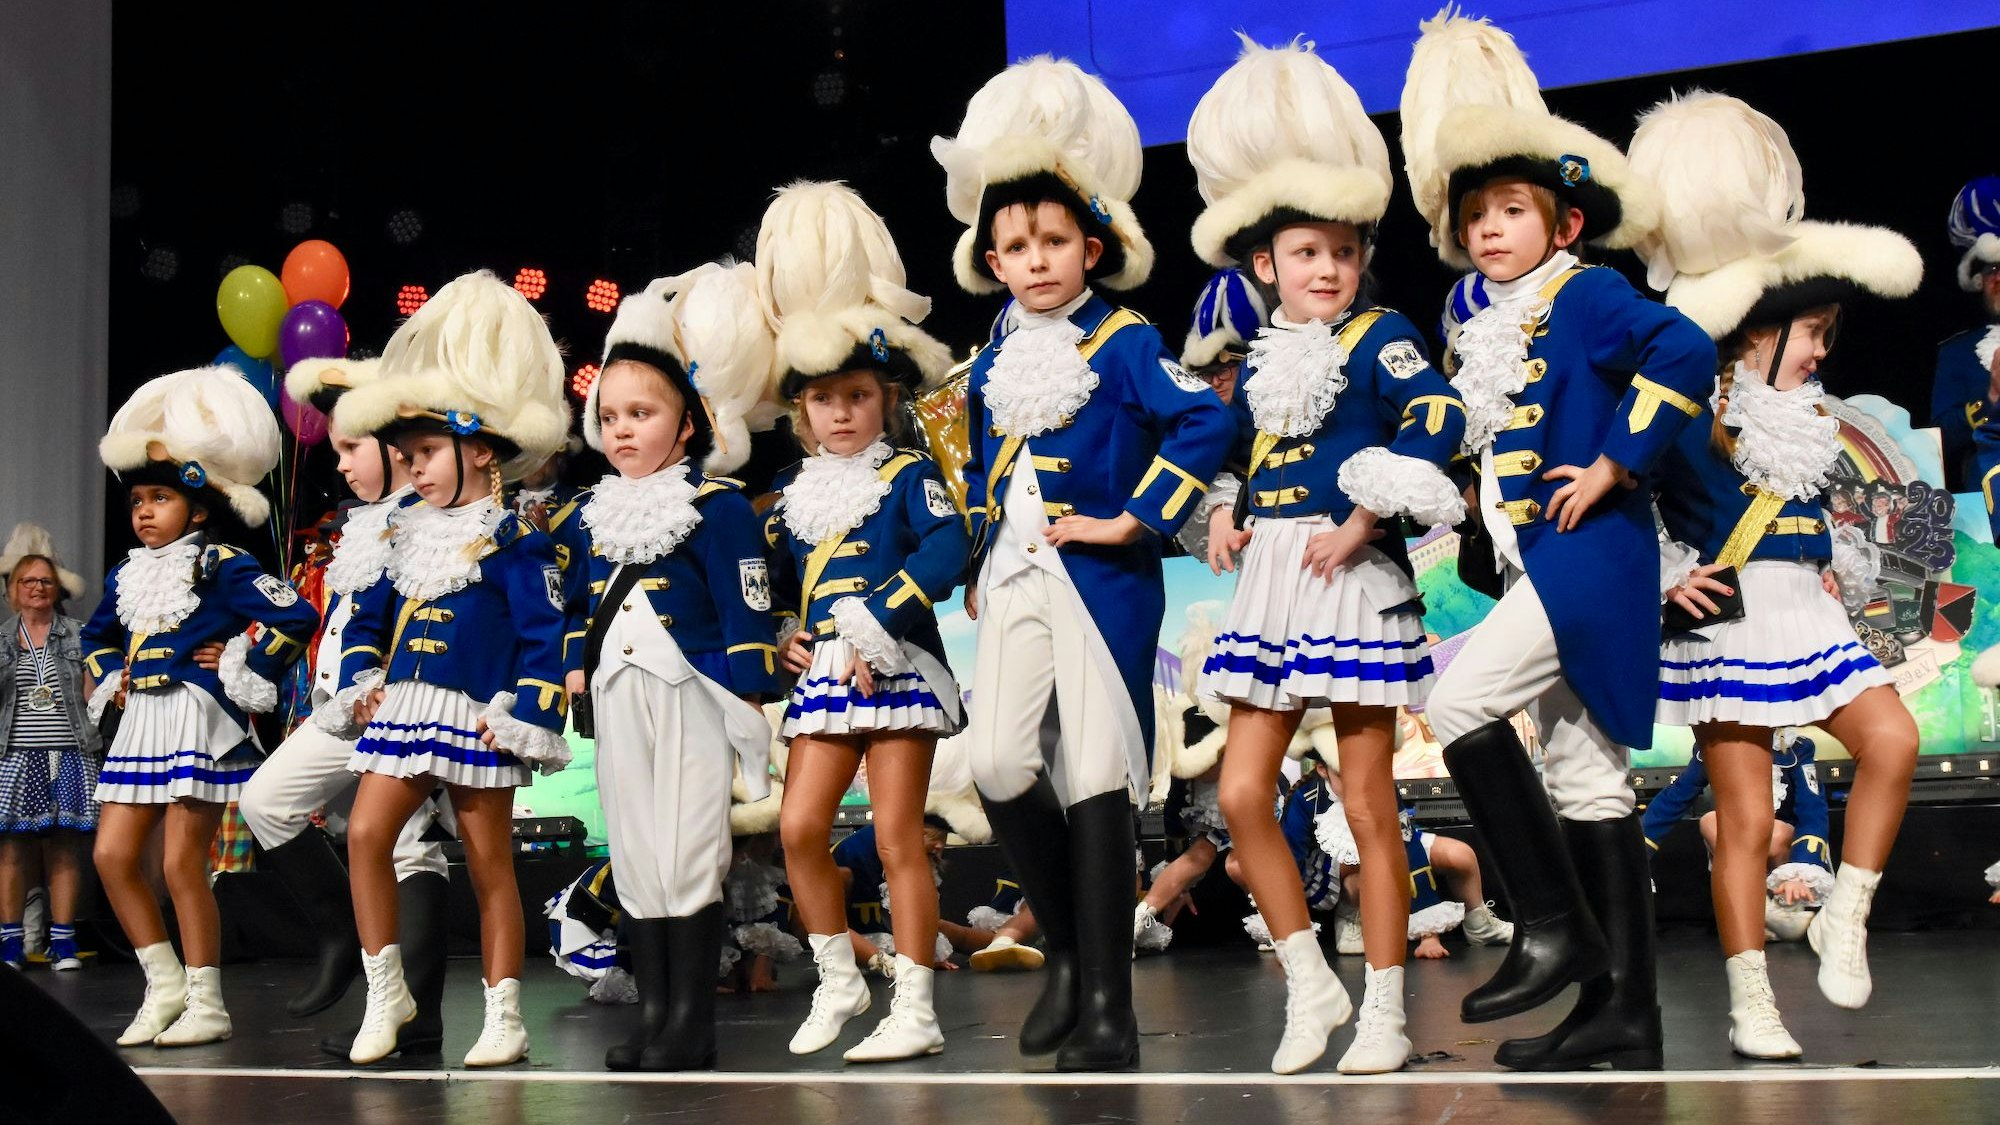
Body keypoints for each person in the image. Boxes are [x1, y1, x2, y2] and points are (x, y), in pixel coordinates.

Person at [1398, 10, 1717, 1071]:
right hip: (1530, 566)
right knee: (1585, 781)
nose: (1489, 228)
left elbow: (1683, 344)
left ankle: (1551, 924)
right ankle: (1624, 1016)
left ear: (1562, 225)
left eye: (1512, 210)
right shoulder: (1473, 319)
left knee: (1454, 703)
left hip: (1585, 560)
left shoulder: (1585, 295)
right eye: (1475, 214)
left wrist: (1619, 459)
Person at [936, 54, 1233, 1073]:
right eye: (1014, 245)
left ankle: (1106, 1002)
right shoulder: (988, 355)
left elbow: (1202, 417)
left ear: (1090, 246)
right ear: (993, 258)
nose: (1033, 259)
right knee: (995, 764)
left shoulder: (1120, 335)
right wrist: (978, 557)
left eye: (1052, 240)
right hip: (1015, 579)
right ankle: (1065, 952)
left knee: (1098, 778)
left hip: (1101, 584)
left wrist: (1133, 522)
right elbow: (981, 460)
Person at [1187, 35, 1471, 1075]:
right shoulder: (1263, 358)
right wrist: (1221, 505)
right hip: (1271, 580)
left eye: (1343, 254)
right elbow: (1227, 447)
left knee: (1365, 806)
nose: (1327, 270)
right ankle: (1311, 986)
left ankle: (1387, 1009)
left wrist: (1372, 510)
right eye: (1307, 254)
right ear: (1264, 266)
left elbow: (1436, 415)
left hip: (1351, 577)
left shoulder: (1380, 334)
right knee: (1240, 794)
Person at [1629, 90, 1922, 1059]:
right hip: (1727, 622)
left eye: (1825, 338)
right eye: (1809, 335)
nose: (1818, 352)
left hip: (1807, 611)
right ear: (1759, 327)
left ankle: (1846, 911)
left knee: (1890, 739)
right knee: (1743, 819)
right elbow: (1624, 499)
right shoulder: (1683, 406)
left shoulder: (1810, 414)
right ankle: (1747, 998)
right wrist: (1665, 580)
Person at [330, 270, 574, 1068]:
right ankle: (386, 989)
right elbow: (366, 617)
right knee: (366, 833)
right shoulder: (396, 530)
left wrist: (521, 711)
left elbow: (545, 635)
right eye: (407, 454)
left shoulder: (515, 536)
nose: (416, 468)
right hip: (404, 709)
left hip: (477, 713)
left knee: (488, 864)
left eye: (429, 452)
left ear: (477, 446)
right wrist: (363, 680)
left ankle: (504, 1014)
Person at [549, 263, 781, 1071]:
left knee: (688, 852)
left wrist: (748, 688)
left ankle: (693, 1022)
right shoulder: (585, 514)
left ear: (687, 423)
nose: (621, 429)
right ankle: (653, 1015)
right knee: (638, 852)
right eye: (609, 415)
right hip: (616, 695)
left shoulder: (714, 506)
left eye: (641, 413)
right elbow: (574, 604)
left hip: (692, 691)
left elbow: (745, 598)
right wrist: (575, 667)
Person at [758, 181, 967, 1063]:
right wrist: (780, 633)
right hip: (827, 679)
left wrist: (881, 614)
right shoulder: (792, 502)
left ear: (883, 400)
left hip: (899, 669)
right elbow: (767, 588)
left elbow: (949, 547)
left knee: (892, 838)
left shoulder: (907, 475)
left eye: (856, 395)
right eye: (823, 400)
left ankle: (914, 1005)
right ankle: (841, 976)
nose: (841, 411)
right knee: (799, 828)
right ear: (801, 414)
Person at [87, 366, 320, 1047]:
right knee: (111, 855)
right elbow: (99, 636)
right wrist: (112, 678)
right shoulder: (126, 571)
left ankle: (206, 998)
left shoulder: (220, 562)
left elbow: (296, 612)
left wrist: (245, 657)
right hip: (142, 722)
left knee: (181, 862)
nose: (144, 512)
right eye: (137, 501)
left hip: (196, 720)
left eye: (159, 498)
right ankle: (162, 985)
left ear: (197, 504)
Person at [237, 357, 454, 1059]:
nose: (342, 464)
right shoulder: (364, 521)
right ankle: (337, 935)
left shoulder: (427, 519)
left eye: (351, 447)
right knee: (266, 799)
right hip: (343, 705)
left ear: (395, 448)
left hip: (404, 703)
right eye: (335, 448)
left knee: (409, 845)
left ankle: (415, 1016)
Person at [0, 525, 100, 972]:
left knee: (65, 847)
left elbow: (95, 695)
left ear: (57, 587)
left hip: (70, 751)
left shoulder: (79, 635)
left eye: (45, 581)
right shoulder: (2, 640)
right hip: (15, 754)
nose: (37, 588)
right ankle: (10, 942)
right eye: (28, 582)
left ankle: (62, 941)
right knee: (13, 849)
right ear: (12, 591)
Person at [1641, 729, 1833, 943]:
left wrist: (1800, 873)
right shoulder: (1717, 744)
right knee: (1710, 821)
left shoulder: (1796, 748)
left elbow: (1813, 812)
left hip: (1785, 851)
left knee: (1774, 832)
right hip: (1741, 847)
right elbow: (1675, 798)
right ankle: (1758, 912)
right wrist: (1637, 852)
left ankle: (1784, 909)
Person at [1932, 176, 2000, 491]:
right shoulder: (1958, 352)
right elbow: (1940, 442)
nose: (1998, 279)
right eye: (1991, 270)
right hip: (1987, 511)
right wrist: (1989, 401)